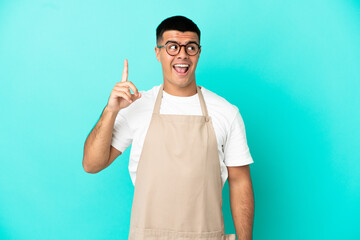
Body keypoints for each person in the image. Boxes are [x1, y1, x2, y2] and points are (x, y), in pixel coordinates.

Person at [83, 15, 254, 240]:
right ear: (158, 53)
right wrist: (111, 110)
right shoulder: (137, 106)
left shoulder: (225, 112)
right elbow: (91, 164)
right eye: (173, 47)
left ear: (198, 53)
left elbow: (240, 181)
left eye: (190, 47)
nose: (182, 55)